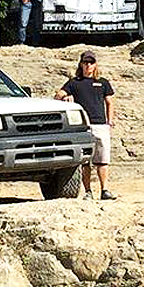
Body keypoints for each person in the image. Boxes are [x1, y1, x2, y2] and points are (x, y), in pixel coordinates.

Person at [56, 50, 117, 200]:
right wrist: (66, 96)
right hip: (83, 126)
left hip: (101, 125)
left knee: (102, 160)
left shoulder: (103, 82)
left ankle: (105, 190)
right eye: (85, 62)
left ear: (95, 65)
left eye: (91, 63)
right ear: (81, 64)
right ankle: (88, 191)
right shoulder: (74, 83)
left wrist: (110, 121)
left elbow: (110, 102)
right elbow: (57, 95)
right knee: (85, 162)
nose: (88, 65)